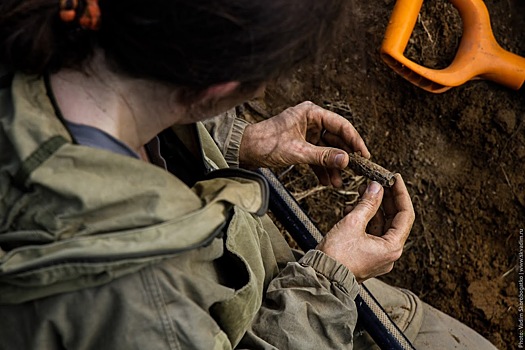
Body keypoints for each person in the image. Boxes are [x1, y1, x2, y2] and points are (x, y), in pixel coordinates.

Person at [0, 0, 497, 349]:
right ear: (219, 83)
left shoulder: (44, 28)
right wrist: (329, 281)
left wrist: (235, 140)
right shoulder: (150, 312)